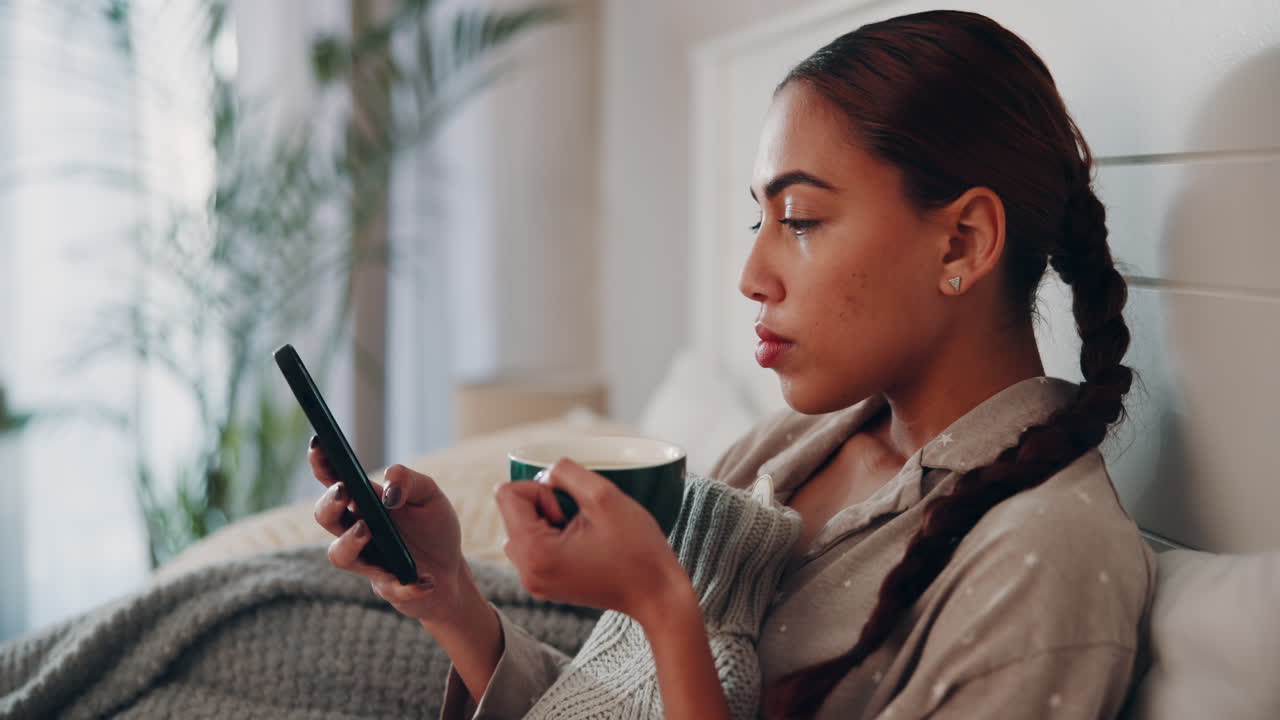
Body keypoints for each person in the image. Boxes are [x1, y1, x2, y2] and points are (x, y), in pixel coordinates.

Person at [309, 10, 1154, 719]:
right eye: (760, 221)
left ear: (962, 242)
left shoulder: (1045, 564)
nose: (752, 279)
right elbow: (615, 703)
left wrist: (664, 606)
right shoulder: (790, 448)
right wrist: (451, 598)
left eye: (801, 219)